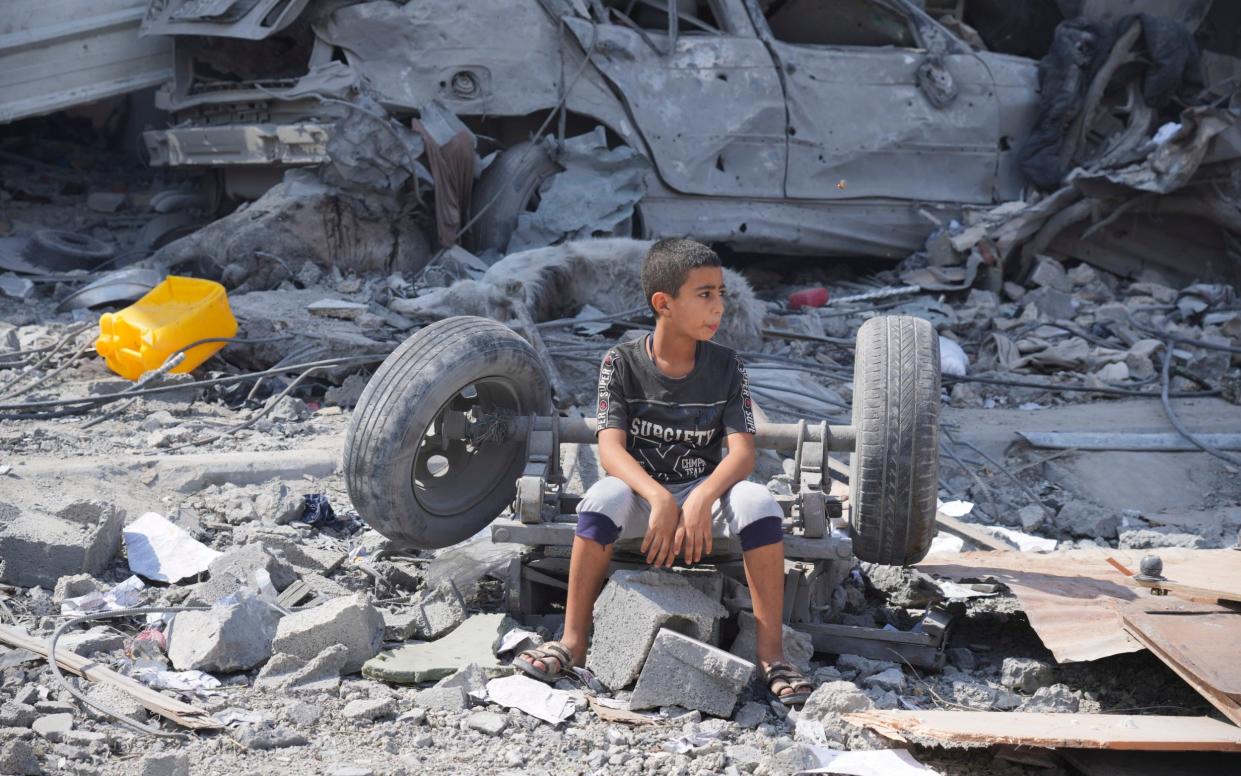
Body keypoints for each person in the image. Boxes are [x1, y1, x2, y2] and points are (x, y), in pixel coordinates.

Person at [511, 238, 813, 705]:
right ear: (664, 304)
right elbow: (611, 450)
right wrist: (656, 498)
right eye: (705, 294)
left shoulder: (728, 366)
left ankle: (771, 655)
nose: (719, 307)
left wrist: (699, 499)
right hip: (641, 496)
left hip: (703, 497)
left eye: (721, 294)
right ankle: (573, 640)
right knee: (600, 500)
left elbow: (741, 455)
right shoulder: (621, 363)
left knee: (759, 502)